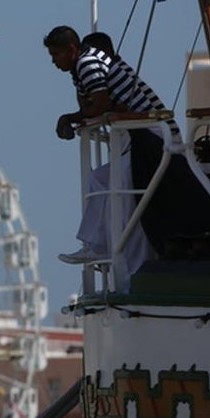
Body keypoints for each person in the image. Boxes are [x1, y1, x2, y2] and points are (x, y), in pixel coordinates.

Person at [44, 26, 157, 282]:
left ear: (71, 50)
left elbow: (100, 104)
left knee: (127, 203)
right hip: (134, 134)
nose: (53, 61)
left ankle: (131, 275)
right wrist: (84, 109)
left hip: (148, 134)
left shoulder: (87, 63)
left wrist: (70, 117)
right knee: (100, 181)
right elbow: (89, 105)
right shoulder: (81, 66)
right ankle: (95, 246)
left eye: (56, 55)